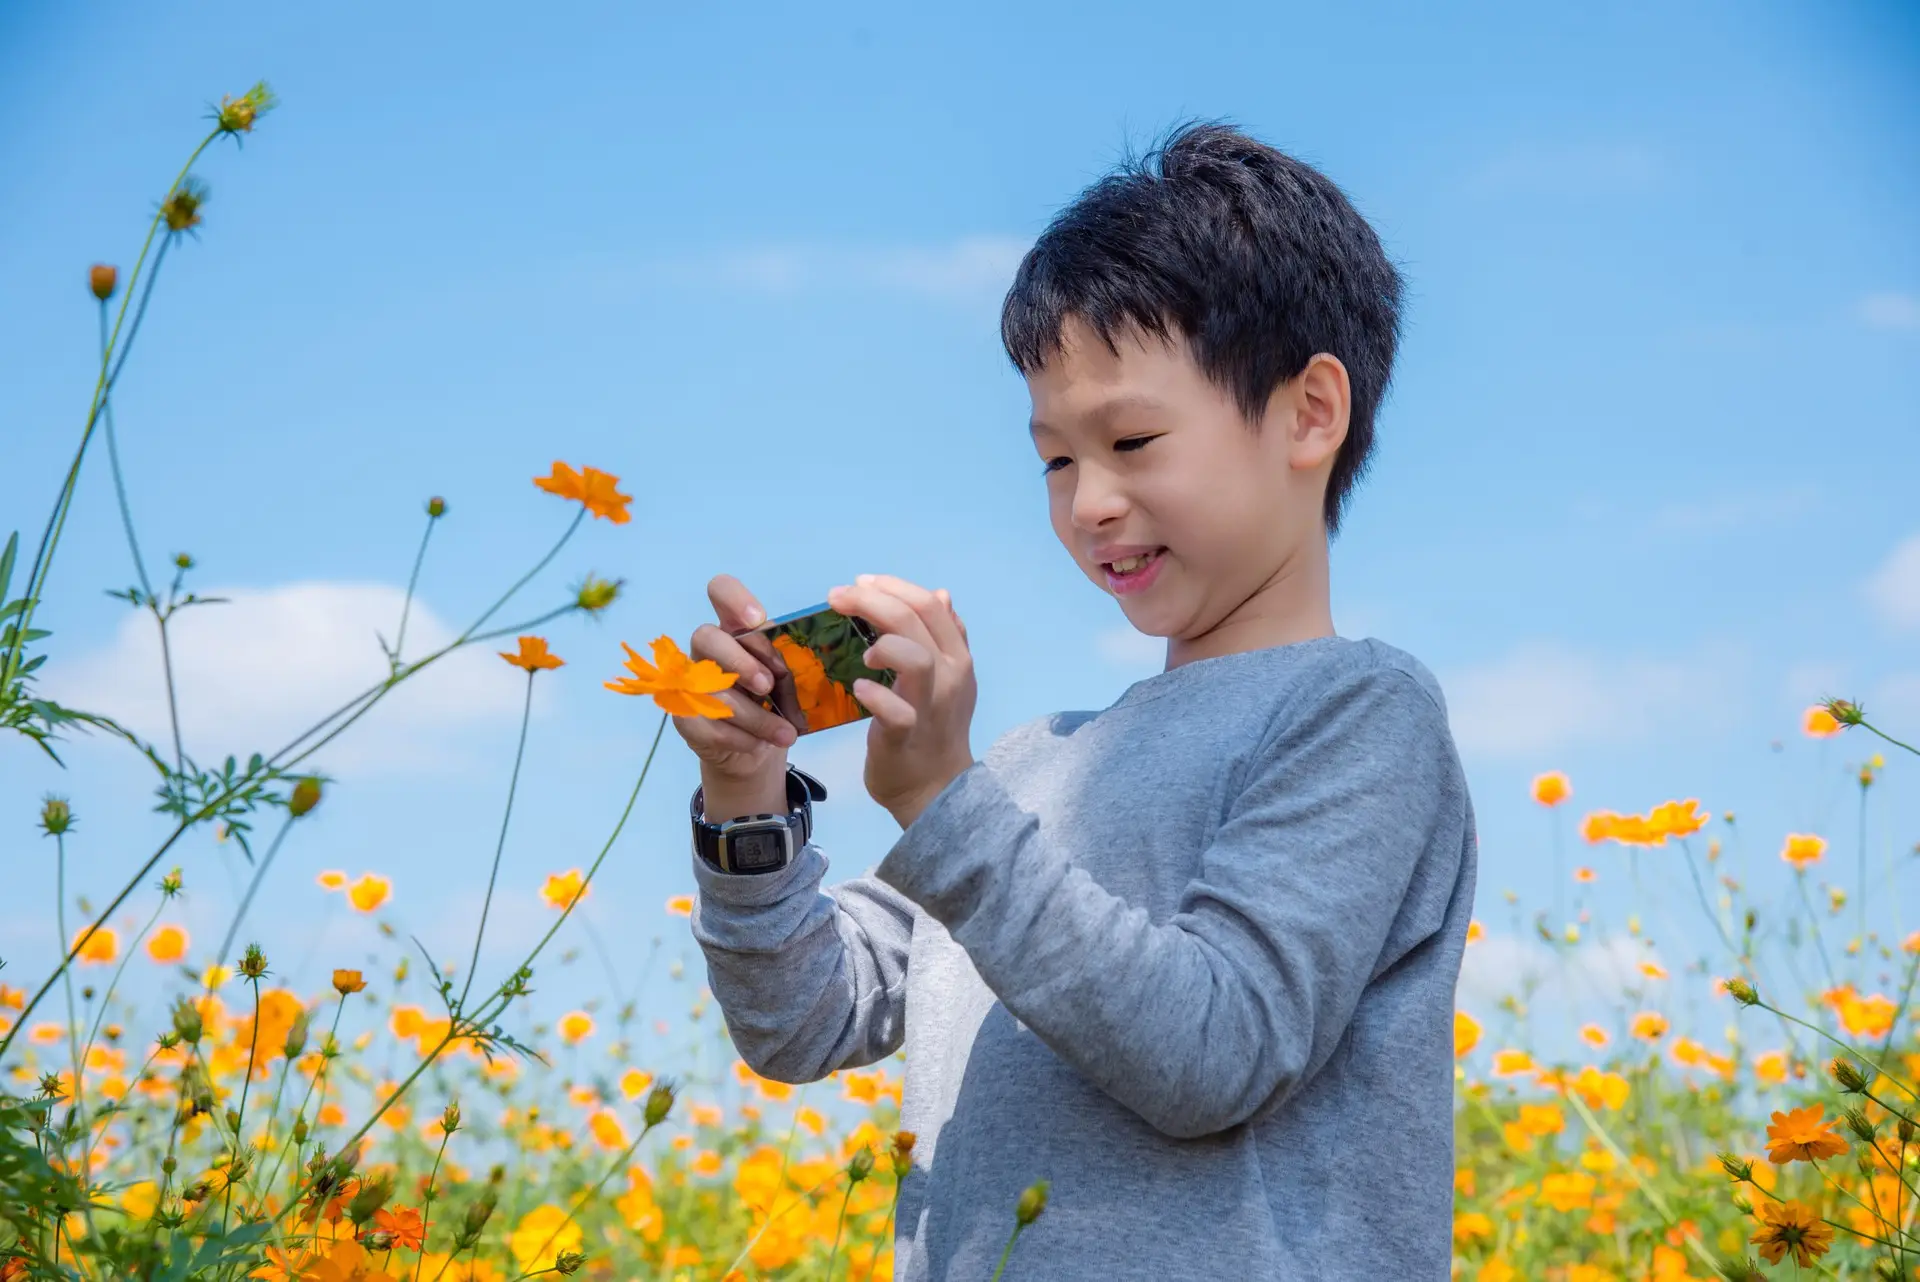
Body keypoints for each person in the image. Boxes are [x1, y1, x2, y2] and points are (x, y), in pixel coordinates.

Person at [671, 121, 1478, 1280]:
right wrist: (744, 794)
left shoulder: (1359, 711)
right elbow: (805, 1021)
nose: (1089, 501)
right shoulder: (1029, 764)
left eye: (1134, 439)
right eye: (1055, 458)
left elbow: (1217, 1050)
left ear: (1310, 414)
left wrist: (948, 805)